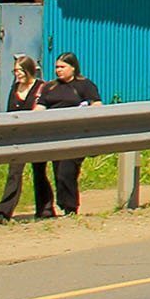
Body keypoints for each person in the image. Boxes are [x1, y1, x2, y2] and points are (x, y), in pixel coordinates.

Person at [35, 53, 101, 215]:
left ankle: (71, 207)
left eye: (62, 67)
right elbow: (39, 108)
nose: (59, 70)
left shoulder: (84, 85)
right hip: (54, 136)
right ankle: (64, 205)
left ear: (73, 68)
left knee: (67, 171)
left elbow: (97, 105)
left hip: (76, 135)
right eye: (57, 67)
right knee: (58, 173)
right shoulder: (50, 87)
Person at [0, 55, 52, 222]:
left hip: (36, 136)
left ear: (29, 70)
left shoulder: (41, 87)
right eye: (15, 71)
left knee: (39, 172)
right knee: (14, 172)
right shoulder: (15, 88)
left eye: (19, 70)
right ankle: (3, 211)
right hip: (17, 137)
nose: (17, 74)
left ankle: (45, 209)